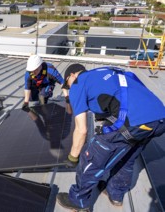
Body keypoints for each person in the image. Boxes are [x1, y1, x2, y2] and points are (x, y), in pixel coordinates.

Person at [56, 63, 165, 211]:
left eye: (67, 84)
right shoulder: (105, 72)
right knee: (127, 157)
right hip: (159, 118)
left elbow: (81, 130)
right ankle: (115, 194)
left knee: (92, 157)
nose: (68, 88)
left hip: (135, 121)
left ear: (73, 75)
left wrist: (73, 157)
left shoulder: (78, 83)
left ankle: (78, 201)